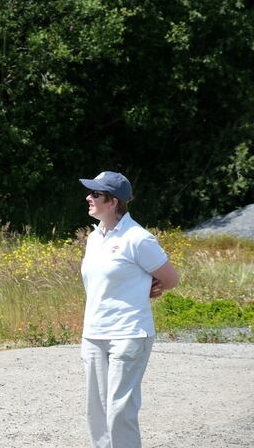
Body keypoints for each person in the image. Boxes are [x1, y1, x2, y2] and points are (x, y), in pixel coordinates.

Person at [78, 171, 178, 448]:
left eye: (95, 193)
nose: (88, 197)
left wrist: (150, 286)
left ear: (113, 202)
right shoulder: (94, 237)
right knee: (97, 412)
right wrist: (141, 285)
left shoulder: (138, 238)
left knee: (120, 412)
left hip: (129, 334)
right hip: (94, 334)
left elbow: (171, 279)